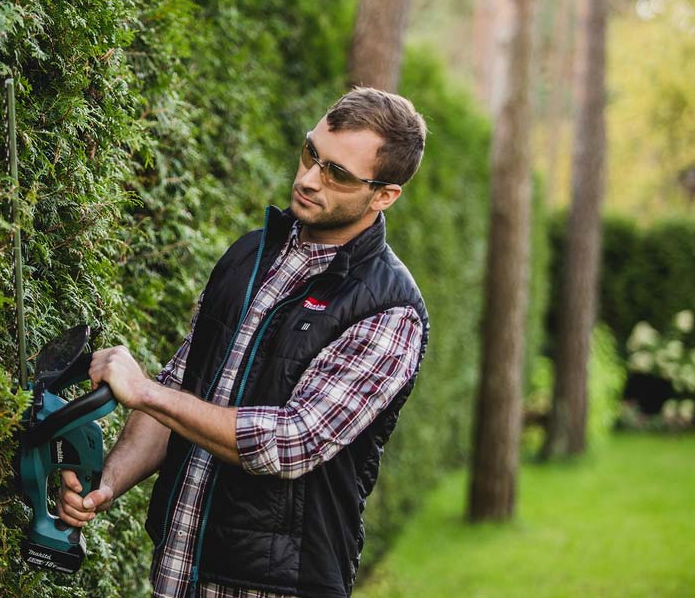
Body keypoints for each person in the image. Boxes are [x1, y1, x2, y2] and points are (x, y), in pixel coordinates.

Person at [58, 87, 430, 598]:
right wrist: (107, 484)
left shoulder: (389, 310)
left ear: (384, 194)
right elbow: (182, 389)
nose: (307, 179)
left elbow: (292, 441)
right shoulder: (250, 255)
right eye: (310, 154)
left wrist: (144, 392)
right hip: (178, 571)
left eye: (337, 174)